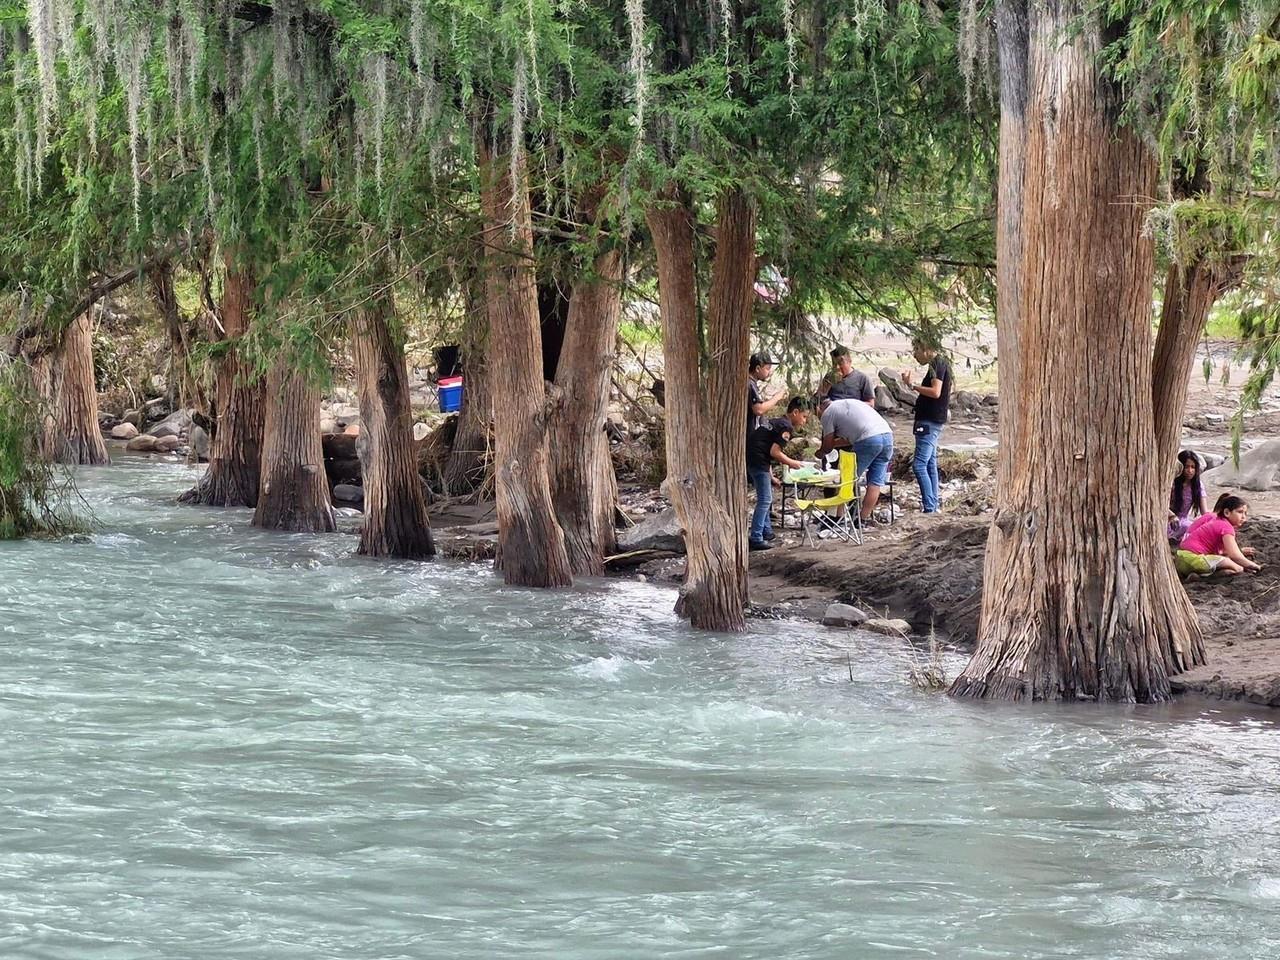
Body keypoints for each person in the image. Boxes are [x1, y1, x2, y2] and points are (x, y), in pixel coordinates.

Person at [746, 398, 811, 551]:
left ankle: (766, 532)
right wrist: (792, 463)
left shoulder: (777, 422)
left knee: (766, 498)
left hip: (754, 459)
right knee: (765, 500)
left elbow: (764, 447)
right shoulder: (785, 427)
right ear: (795, 412)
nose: (804, 421)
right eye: (804, 416)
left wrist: (771, 476)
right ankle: (755, 537)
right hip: (758, 461)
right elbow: (774, 452)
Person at [816, 397, 894, 522]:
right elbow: (851, 437)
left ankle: (838, 517)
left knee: (847, 479)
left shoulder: (828, 413)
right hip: (887, 437)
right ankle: (861, 520)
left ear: (819, 408)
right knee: (874, 483)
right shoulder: (849, 404)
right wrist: (833, 444)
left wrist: (820, 452)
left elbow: (827, 446)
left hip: (869, 439)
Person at [901, 338, 952, 514]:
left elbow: (936, 392)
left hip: (929, 421)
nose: (914, 355)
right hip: (931, 419)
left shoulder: (938, 363)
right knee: (930, 463)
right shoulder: (938, 364)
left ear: (926, 348)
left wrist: (913, 386)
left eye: (916, 350)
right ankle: (933, 504)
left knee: (919, 464)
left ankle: (930, 507)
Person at [1176, 494, 1261, 577]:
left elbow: (1222, 552)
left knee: (1231, 568)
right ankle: (1202, 578)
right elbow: (1235, 555)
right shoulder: (1226, 527)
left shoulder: (1217, 521)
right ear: (1227, 512)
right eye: (1240, 512)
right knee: (1238, 568)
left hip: (1181, 559)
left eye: (1245, 513)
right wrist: (1255, 566)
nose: (1243, 517)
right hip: (1193, 559)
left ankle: (1199, 575)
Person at [1168, 450, 1208, 542]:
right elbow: (1161, 504)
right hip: (1169, 520)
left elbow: (1204, 512)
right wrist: (1171, 516)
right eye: (1186, 467)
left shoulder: (1198, 485)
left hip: (1184, 521)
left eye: (1193, 467)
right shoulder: (1172, 483)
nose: (1190, 471)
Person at [747, 352, 784, 433]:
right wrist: (777, 398)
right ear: (757, 368)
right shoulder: (750, 384)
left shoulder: (752, 383)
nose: (769, 372)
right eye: (767, 368)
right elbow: (759, 409)